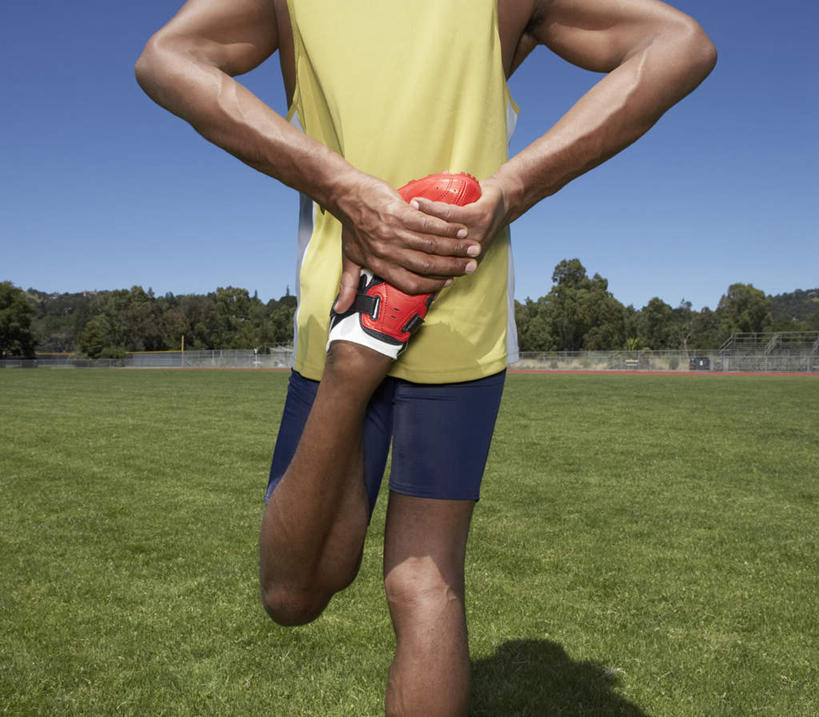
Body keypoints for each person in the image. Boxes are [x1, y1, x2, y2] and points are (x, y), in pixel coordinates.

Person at [136, 1, 716, 715]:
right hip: (457, 278)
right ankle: (362, 353)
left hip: (350, 286)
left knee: (296, 591)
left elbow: (166, 58)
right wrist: (508, 190)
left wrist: (346, 190)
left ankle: (361, 352)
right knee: (423, 578)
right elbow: (677, 43)